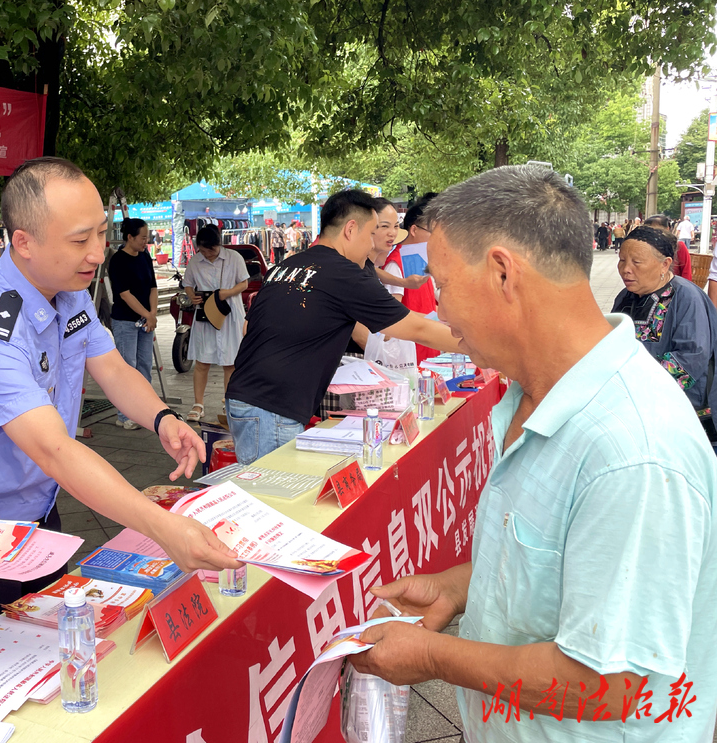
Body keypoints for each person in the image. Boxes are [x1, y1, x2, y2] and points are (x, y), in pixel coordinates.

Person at [347, 166, 717, 743]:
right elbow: (558, 565)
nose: (439, 313)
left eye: (442, 286)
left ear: (501, 273)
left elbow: (613, 681)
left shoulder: (632, 453)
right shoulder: (532, 396)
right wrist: (457, 587)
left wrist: (437, 657)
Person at [0, 157, 241, 616]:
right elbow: (53, 448)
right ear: (24, 242)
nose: (97, 253)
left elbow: (111, 369)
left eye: (101, 232)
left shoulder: (69, 291)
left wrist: (162, 417)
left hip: (41, 507)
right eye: (80, 240)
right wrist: (162, 527)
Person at [223, 189, 461, 464]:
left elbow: (247, 329)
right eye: (371, 233)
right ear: (350, 230)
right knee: (272, 499)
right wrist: (477, 344)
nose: (372, 245)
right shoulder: (344, 273)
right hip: (273, 407)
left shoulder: (287, 265)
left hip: (246, 396)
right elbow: (414, 328)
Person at [612, 225, 717, 436]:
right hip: (635, 406)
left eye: (636, 262)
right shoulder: (625, 296)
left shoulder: (687, 297)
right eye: (622, 260)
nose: (625, 269)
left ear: (665, 264)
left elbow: (690, 359)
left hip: (684, 410)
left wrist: (636, 385)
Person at [183, 224, 249, 423]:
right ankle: (198, 404)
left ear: (218, 245)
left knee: (230, 362)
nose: (207, 254)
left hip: (229, 314)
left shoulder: (233, 258)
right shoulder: (195, 261)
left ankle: (228, 402)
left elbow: (244, 283)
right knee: (202, 361)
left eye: (210, 250)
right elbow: (188, 284)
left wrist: (225, 293)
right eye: (203, 250)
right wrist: (192, 296)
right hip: (205, 315)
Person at [108, 217, 158, 430]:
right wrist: (147, 314)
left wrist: (152, 314)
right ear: (130, 237)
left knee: (145, 364)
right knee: (128, 366)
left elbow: (153, 287)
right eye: (143, 237)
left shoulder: (145, 256)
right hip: (125, 321)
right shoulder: (118, 260)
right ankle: (125, 413)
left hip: (145, 319)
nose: (146, 241)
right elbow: (125, 294)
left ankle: (144, 409)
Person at [383, 193, 440, 364]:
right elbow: (392, 317)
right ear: (414, 230)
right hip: (410, 357)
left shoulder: (423, 260)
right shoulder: (395, 264)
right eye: (432, 232)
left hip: (430, 348)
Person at [643, 214, 692, 281]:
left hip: (675, 288)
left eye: (655, 229)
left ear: (667, 229)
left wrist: (682, 289)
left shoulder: (679, 246)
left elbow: (686, 273)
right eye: (647, 230)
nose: (651, 233)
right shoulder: (643, 247)